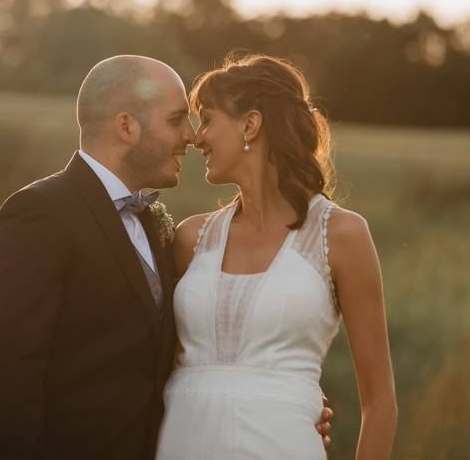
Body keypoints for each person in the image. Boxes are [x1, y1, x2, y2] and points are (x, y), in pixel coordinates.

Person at [0, 55, 331, 459]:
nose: (192, 137)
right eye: (176, 120)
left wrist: (281, 408)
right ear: (126, 126)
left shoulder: (158, 225)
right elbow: (8, 377)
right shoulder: (40, 213)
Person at [156, 53, 398, 460]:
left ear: (250, 124)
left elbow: (380, 403)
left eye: (208, 119)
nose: (196, 138)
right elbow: (157, 367)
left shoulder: (340, 235)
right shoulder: (191, 238)